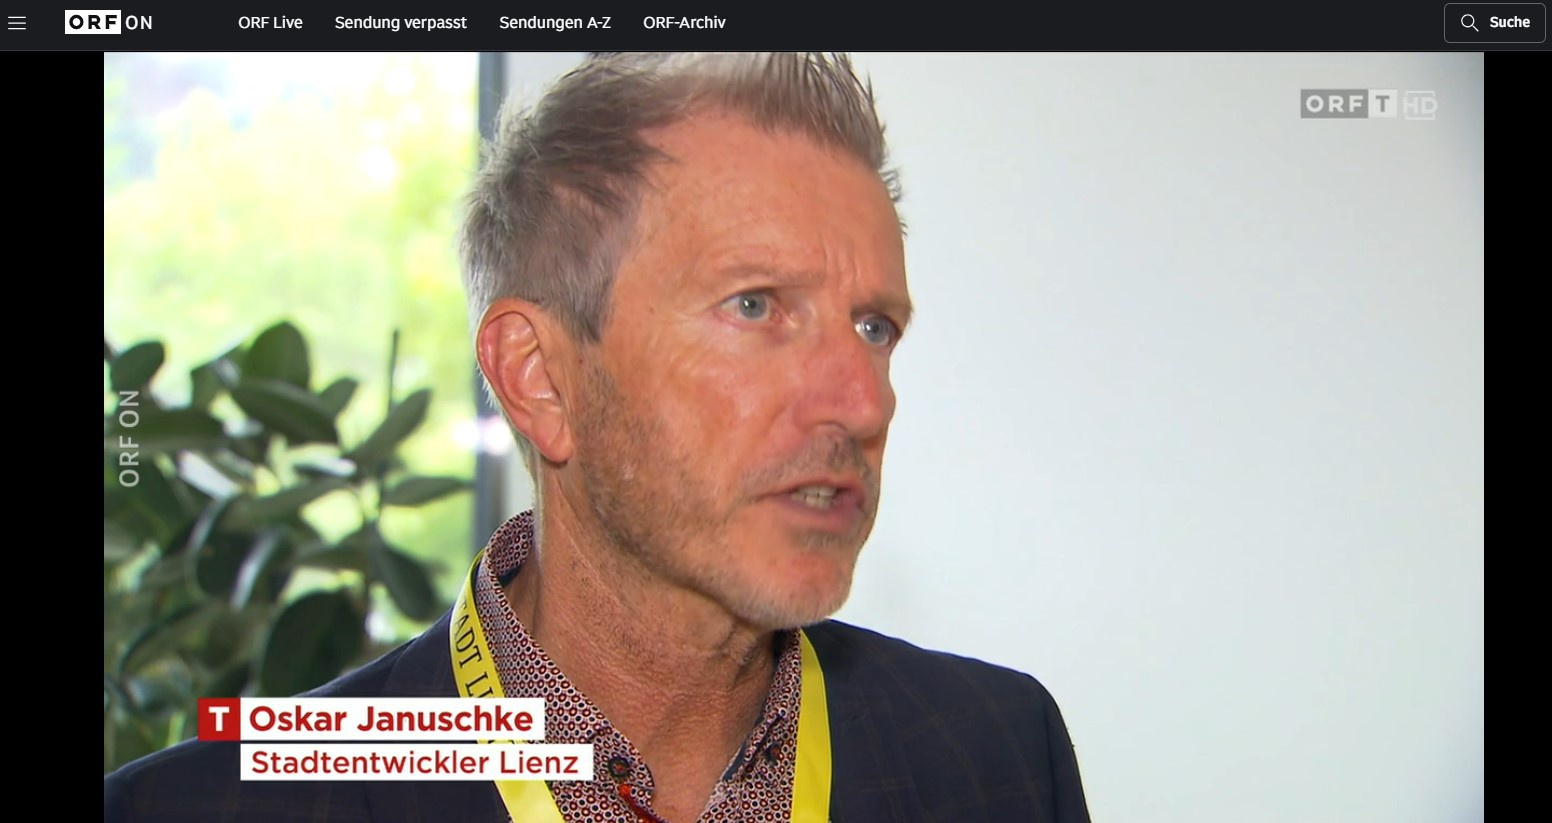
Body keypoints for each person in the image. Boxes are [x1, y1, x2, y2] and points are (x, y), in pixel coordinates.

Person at [105, 52, 1091, 823]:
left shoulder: (1001, 756)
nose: (862, 402)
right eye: (755, 305)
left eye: (874, 327)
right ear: (540, 378)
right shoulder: (206, 806)